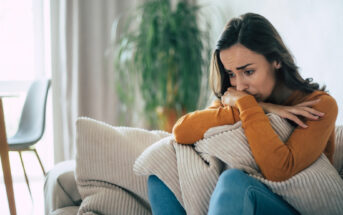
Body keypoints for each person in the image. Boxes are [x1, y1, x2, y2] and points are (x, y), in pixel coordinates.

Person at [147, 13, 338, 215]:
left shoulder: (319, 105)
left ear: (276, 60)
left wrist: (248, 106)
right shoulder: (238, 99)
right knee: (161, 174)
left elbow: (280, 169)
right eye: (230, 74)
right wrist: (261, 108)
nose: (239, 85)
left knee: (233, 181)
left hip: (296, 205)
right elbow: (182, 130)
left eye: (248, 72)